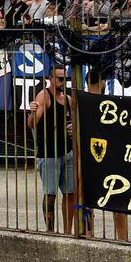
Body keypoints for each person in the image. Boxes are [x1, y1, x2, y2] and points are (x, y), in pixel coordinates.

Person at [28, 67, 75, 234]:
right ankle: (50, 231)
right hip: (48, 154)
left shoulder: (68, 99)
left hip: (67, 152)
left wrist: (72, 130)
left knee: (70, 193)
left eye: (65, 79)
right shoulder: (44, 95)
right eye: (60, 79)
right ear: (50, 78)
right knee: (50, 194)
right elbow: (31, 124)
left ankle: (67, 231)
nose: (63, 82)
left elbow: (72, 122)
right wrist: (33, 112)